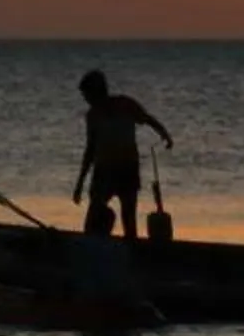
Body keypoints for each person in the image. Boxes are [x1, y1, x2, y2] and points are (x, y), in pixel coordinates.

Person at [71, 69, 172, 237]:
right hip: (105, 170)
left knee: (128, 219)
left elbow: (147, 119)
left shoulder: (125, 104)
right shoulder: (93, 115)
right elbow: (90, 150)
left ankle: (130, 254)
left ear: (95, 92)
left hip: (126, 169)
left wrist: (164, 134)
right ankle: (96, 246)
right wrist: (80, 184)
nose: (85, 99)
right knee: (94, 216)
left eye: (86, 95)